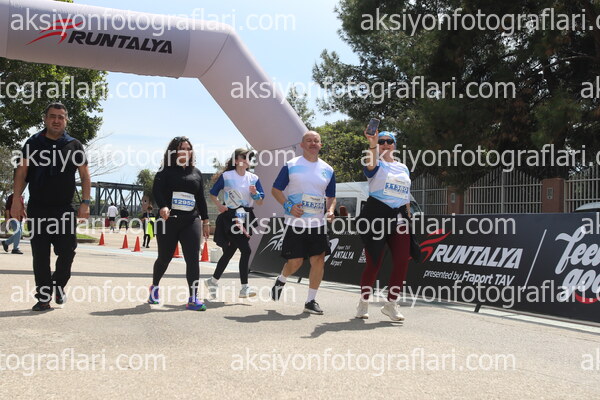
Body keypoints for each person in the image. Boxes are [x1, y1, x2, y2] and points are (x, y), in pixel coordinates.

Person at [11, 102, 91, 311]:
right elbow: (22, 172)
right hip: (38, 208)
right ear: (45, 119)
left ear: (66, 120)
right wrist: (16, 200)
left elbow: (84, 175)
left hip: (64, 209)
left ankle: (58, 285)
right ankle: (44, 297)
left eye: (61, 117)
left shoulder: (74, 145)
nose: (56, 120)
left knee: (67, 251)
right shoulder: (33, 143)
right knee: (40, 255)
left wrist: (85, 202)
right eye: (52, 116)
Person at [270, 131, 336, 314]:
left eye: (316, 141)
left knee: (318, 260)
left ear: (321, 145)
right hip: (296, 223)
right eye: (309, 140)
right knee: (295, 262)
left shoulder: (328, 169)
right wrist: (289, 206)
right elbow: (275, 190)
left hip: (318, 224)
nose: (313, 143)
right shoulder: (291, 165)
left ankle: (310, 301)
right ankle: (282, 278)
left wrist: (330, 210)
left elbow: (331, 196)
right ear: (302, 145)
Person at [148, 136, 210, 311]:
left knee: (193, 258)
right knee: (164, 258)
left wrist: (205, 220)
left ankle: (193, 298)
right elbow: (157, 190)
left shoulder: (196, 173)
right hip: (168, 220)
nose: (186, 151)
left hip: (191, 220)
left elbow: (200, 198)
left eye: (189, 149)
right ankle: (154, 286)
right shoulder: (165, 171)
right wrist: (163, 206)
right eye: (182, 148)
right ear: (174, 152)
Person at [355, 129, 411, 321]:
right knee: (374, 263)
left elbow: (405, 195)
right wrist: (372, 143)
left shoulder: (403, 167)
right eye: (381, 141)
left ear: (395, 145)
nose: (385, 144)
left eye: (389, 141)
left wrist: (408, 215)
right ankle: (363, 302)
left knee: (402, 260)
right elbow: (370, 164)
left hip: (399, 217)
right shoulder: (374, 162)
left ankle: (391, 304)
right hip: (377, 217)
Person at [206, 148, 264, 299]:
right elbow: (213, 193)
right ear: (236, 160)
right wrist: (219, 205)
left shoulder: (254, 178)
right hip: (232, 216)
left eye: (249, 157)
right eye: (243, 157)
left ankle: (213, 281)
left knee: (230, 252)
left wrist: (255, 194)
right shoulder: (227, 176)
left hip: (247, 216)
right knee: (246, 250)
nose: (246, 159)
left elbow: (260, 201)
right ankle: (244, 288)